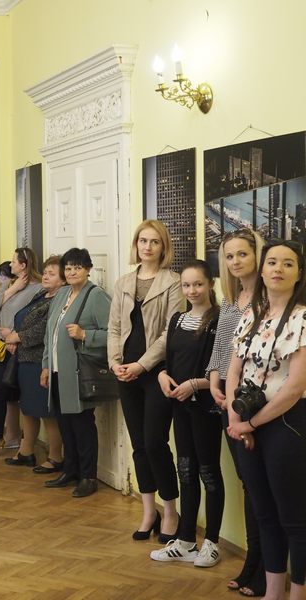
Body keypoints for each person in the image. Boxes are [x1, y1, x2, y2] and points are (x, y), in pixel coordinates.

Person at [226, 239, 306, 600]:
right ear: (262, 270)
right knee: (264, 514)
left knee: (294, 519)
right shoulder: (251, 314)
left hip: (285, 424)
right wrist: (234, 414)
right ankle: (273, 593)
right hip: (245, 422)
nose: (278, 269)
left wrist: (251, 424)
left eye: (288, 264)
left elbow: (295, 387)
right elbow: (234, 370)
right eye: (272, 262)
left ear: (299, 274)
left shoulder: (302, 318)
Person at [108, 220, 183, 539]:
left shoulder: (173, 282)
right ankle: (149, 511)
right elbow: (114, 328)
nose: (147, 246)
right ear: (136, 245)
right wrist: (115, 363)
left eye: (154, 241)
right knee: (139, 444)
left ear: (163, 247)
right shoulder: (124, 282)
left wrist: (142, 364)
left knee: (155, 442)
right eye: (143, 240)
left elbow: (171, 331)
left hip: (157, 372)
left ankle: (171, 512)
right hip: (126, 373)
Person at [151, 260, 224, 568]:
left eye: (198, 284)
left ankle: (213, 542)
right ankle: (185, 540)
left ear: (210, 285)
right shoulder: (178, 319)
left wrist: (196, 384)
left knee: (209, 473)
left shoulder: (220, 320)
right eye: (186, 285)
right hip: (180, 407)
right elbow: (170, 360)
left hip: (206, 408)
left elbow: (224, 369)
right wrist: (162, 375)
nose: (192, 290)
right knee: (186, 472)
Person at [206, 229, 266, 596]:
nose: (235, 261)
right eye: (229, 256)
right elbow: (220, 348)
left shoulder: (267, 299)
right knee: (247, 483)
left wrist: (234, 398)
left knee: (259, 487)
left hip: (253, 404)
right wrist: (214, 382)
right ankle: (253, 562)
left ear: (257, 255)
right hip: (227, 402)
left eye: (242, 254)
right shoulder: (231, 299)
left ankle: (265, 567)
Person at [40, 248, 110, 498]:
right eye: (68, 268)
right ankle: (70, 470)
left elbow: (113, 333)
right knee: (65, 424)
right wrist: (46, 365)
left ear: (88, 269)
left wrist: (85, 335)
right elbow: (50, 334)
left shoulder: (96, 296)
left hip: (79, 373)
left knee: (82, 426)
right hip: (57, 371)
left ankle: (88, 477)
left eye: (77, 267)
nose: (71, 272)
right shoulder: (62, 294)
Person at [0, 249, 44, 458]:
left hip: (21, 348)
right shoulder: (9, 285)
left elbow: (34, 318)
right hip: (0, 347)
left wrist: (15, 336)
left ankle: (25, 445)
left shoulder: (39, 288)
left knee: (24, 397)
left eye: (14, 261)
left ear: (23, 265)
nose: (10, 265)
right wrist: (13, 289)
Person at [4, 255, 64, 473]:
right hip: (25, 359)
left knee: (47, 412)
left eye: (51, 274)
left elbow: (45, 329)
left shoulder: (60, 300)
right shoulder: (41, 294)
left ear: (63, 279)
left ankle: (56, 457)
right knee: (28, 408)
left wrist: (17, 337)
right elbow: (24, 318)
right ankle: (26, 451)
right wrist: (14, 337)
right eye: (45, 272)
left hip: (41, 361)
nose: (45, 276)